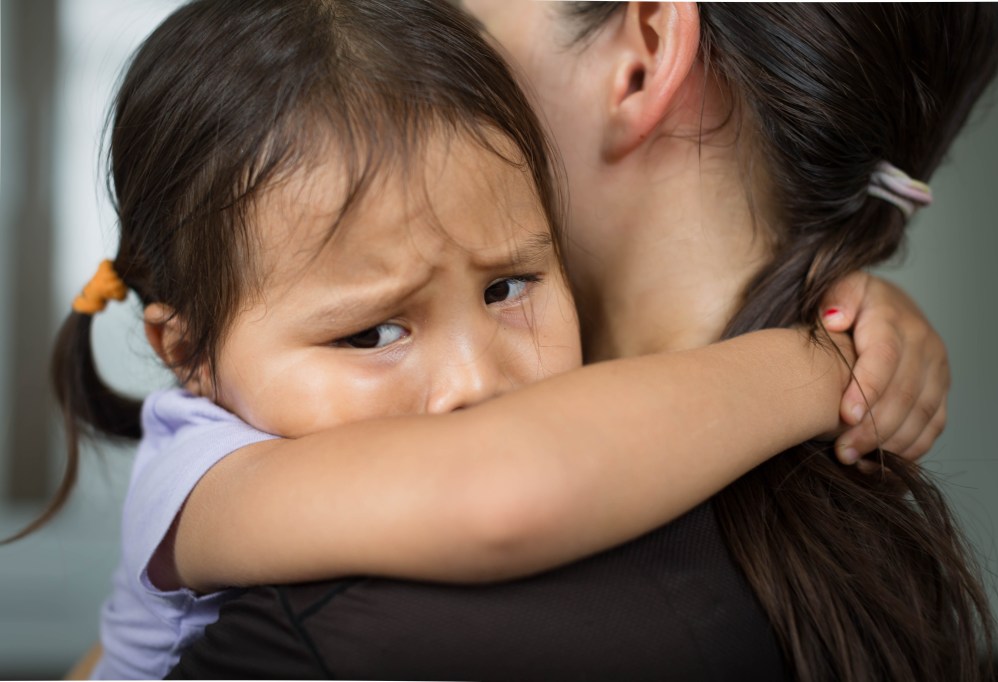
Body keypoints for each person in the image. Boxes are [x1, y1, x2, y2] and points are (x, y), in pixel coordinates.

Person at [20, 0, 947, 679]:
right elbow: (504, 490)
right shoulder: (202, 474)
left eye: (508, 287)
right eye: (373, 332)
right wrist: (816, 361)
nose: (477, 384)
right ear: (189, 357)